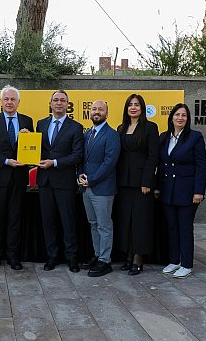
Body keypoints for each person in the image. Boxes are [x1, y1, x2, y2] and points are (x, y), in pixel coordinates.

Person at [0, 85, 33, 271]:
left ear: (19, 102)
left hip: (19, 178)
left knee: (14, 218)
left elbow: (31, 149)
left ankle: (12, 255)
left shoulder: (27, 121)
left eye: (13, 99)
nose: (9, 102)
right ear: (0, 102)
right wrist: (5, 160)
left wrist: (27, 140)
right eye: (6, 99)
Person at [157, 103, 206, 279]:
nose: (180, 118)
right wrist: (157, 187)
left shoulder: (195, 137)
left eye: (184, 115)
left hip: (187, 192)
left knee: (184, 227)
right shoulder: (164, 137)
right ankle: (174, 260)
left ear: (188, 119)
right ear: (171, 117)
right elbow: (161, 165)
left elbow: (201, 166)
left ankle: (186, 263)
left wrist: (199, 191)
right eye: (177, 114)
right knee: (171, 227)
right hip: (167, 191)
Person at [36, 89, 84, 273]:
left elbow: (77, 155)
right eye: (55, 100)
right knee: (48, 222)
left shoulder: (76, 127)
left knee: (68, 222)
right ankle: (51, 258)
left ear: (67, 105)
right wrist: (25, 136)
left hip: (64, 182)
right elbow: (34, 149)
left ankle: (72, 259)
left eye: (62, 100)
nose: (59, 103)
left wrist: (54, 162)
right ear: (50, 103)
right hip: (45, 182)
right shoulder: (41, 124)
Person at [115, 94, 159, 276]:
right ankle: (128, 256)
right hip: (123, 184)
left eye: (137, 105)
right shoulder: (121, 127)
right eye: (130, 105)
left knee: (140, 223)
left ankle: (138, 260)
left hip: (142, 185)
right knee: (126, 222)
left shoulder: (150, 127)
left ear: (142, 108)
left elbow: (153, 156)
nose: (133, 107)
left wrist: (146, 181)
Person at [78, 100, 121, 277]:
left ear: (106, 113)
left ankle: (105, 261)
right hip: (86, 188)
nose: (96, 112)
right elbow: (82, 159)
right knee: (93, 224)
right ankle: (97, 255)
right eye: (94, 109)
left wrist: (92, 180)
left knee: (104, 226)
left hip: (102, 189)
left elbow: (109, 162)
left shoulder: (112, 135)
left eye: (100, 109)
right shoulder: (88, 134)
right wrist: (80, 175)